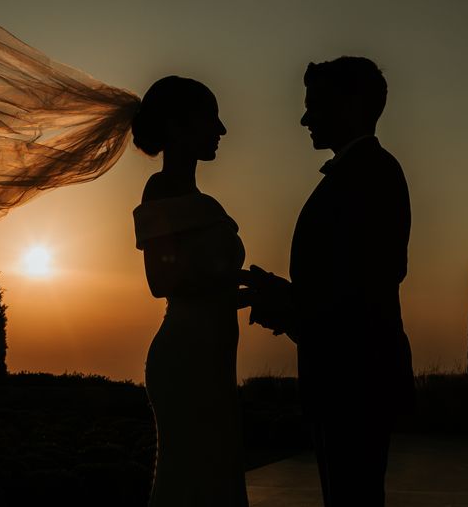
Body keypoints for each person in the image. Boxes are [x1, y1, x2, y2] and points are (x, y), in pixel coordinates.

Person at [249, 56, 415, 507]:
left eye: (314, 104)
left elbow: (364, 286)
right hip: (346, 373)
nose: (304, 117)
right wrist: (278, 293)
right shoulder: (359, 173)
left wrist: (284, 303)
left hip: (354, 376)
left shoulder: (371, 175)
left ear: (351, 105)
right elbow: (343, 279)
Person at [132, 76, 250, 507]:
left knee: (212, 473)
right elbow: (161, 282)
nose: (221, 130)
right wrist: (227, 284)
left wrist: (249, 290)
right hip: (186, 359)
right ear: (179, 126)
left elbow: (197, 279)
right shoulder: (161, 190)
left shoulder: (192, 194)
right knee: (192, 477)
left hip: (211, 356)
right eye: (211, 118)